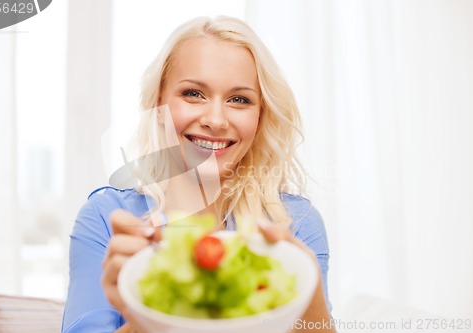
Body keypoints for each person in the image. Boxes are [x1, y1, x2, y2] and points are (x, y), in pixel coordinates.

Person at [62, 16, 334, 333]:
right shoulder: (108, 218)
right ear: (158, 103)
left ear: (260, 116)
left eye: (239, 99)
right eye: (193, 94)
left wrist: (308, 286)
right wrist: (141, 317)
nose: (215, 120)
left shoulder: (296, 224)